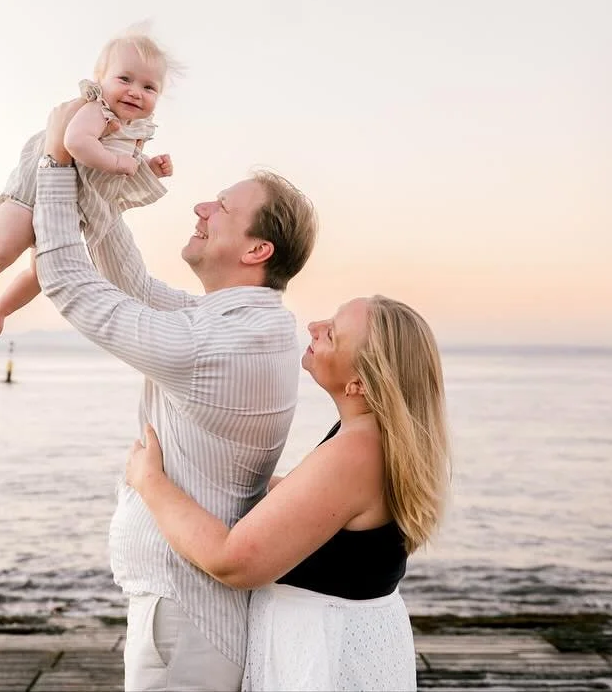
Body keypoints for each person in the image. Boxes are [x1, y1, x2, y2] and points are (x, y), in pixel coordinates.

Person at [30, 96, 319, 692]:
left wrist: (56, 164)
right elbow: (131, 284)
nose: (200, 206)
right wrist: (97, 194)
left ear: (255, 250)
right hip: (188, 611)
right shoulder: (243, 321)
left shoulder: (226, 341)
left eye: (224, 207)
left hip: (185, 620)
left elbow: (72, 286)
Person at [124, 295, 450, 691]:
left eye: (331, 333)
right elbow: (301, 505)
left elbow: (234, 563)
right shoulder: (373, 439)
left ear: (359, 383)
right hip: (339, 645)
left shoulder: (358, 452)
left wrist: (150, 483)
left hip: (324, 657)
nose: (314, 326)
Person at [0, 29, 177, 340]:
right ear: (101, 80)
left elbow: (115, 159)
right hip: (32, 194)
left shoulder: (134, 129)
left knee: (41, 275)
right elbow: (76, 143)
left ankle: (1, 307)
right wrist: (119, 164)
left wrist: (149, 167)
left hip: (63, 206)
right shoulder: (95, 110)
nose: (135, 92)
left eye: (149, 87)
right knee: (0, 251)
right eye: (124, 79)